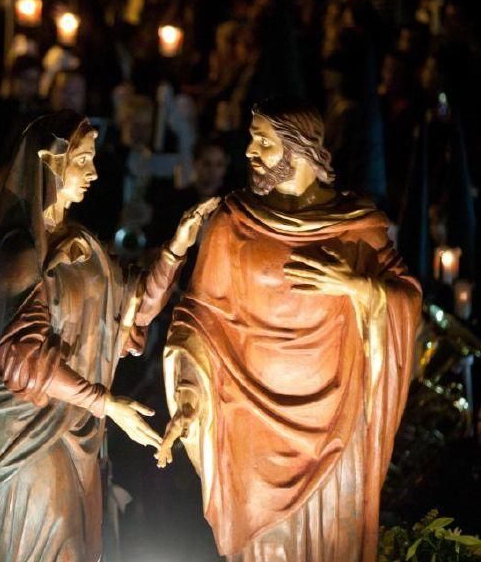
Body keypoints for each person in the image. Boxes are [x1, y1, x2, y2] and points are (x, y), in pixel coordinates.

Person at [157, 96, 421, 561]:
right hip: (251, 427)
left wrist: (360, 288)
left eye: (263, 141)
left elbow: (405, 303)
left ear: (301, 147)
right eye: (251, 140)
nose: (250, 152)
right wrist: (190, 394)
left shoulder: (355, 228)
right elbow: (199, 318)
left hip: (334, 424)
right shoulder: (232, 223)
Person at [0, 110, 219, 561]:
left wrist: (178, 247)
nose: (94, 172)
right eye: (82, 160)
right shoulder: (19, 250)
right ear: (49, 163)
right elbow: (24, 360)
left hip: (78, 429)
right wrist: (107, 403)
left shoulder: (83, 244)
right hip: (27, 431)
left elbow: (133, 306)